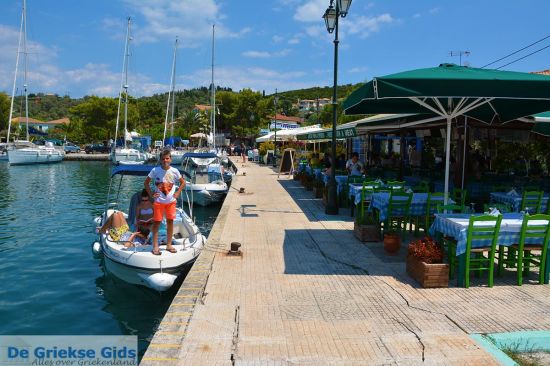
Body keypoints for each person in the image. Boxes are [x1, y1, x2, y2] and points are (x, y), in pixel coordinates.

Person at [144, 149, 185, 255]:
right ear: (160, 160)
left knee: (170, 222)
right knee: (157, 223)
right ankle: (155, 246)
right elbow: (146, 183)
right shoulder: (155, 170)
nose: (165, 160)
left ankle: (169, 245)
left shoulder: (175, 171)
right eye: (163, 159)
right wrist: (151, 194)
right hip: (158, 202)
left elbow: (183, 183)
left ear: (170, 159)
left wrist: (177, 193)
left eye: (167, 158)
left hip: (171, 202)